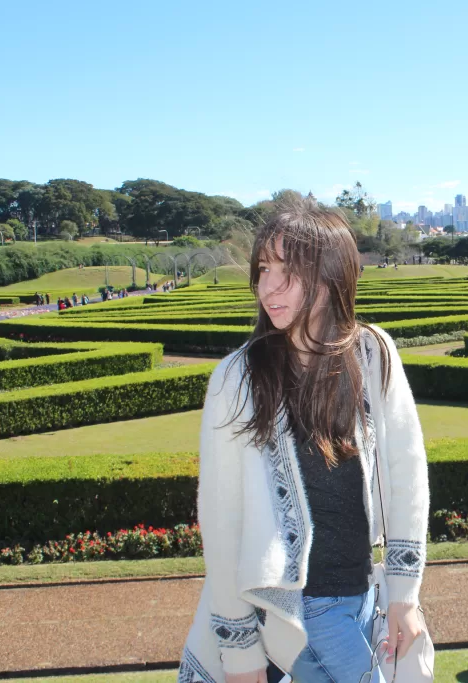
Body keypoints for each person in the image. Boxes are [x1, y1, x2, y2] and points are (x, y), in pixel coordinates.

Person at [178, 194, 429, 683]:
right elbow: (222, 518)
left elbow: (407, 472)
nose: (268, 288)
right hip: (295, 613)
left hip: (362, 598)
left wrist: (404, 593)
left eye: (286, 273)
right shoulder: (238, 378)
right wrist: (240, 648)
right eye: (263, 270)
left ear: (329, 276)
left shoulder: (373, 353)